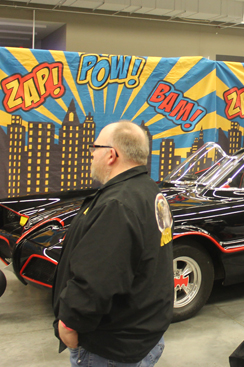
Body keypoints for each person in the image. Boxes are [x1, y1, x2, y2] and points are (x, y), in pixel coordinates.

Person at [52, 120, 174, 366]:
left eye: (94, 147)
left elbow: (96, 279)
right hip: (142, 334)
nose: (91, 154)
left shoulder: (117, 204)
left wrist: (69, 322)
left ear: (111, 154)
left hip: (110, 347)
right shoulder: (149, 191)